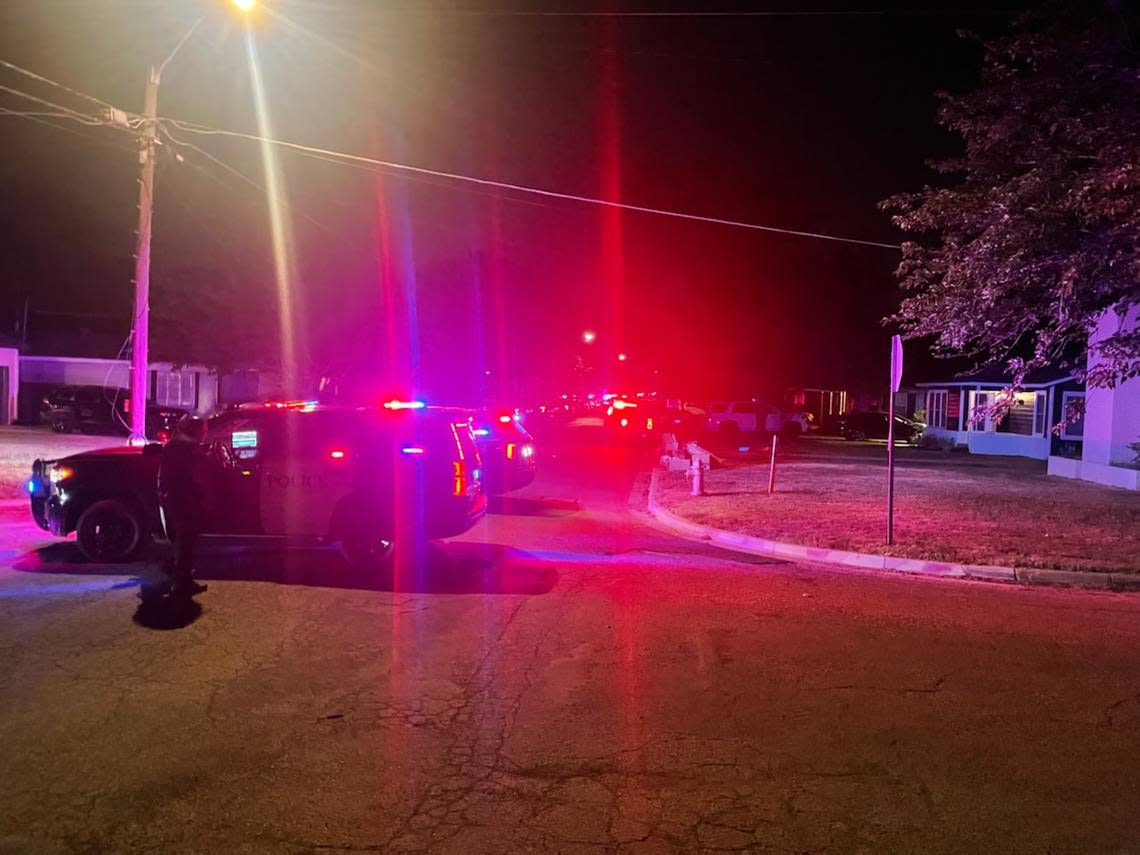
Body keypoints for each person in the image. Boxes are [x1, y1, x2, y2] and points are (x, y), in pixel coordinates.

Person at [158, 416, 210, 596]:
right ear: (196, 431)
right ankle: (181, 583)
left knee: (185, 541)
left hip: (175, 499)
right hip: (184, 500)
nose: (205, 433)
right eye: (203, 430)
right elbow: (195, 478)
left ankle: (183, 579)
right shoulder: (188, 450)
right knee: (185, 541)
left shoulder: (175, 446)